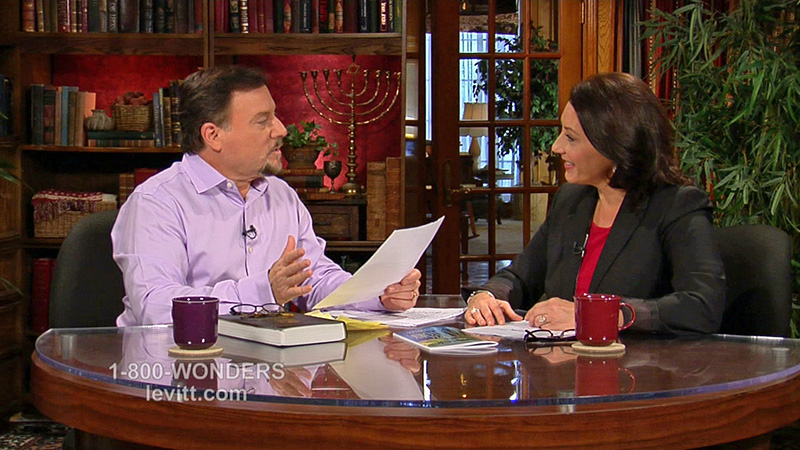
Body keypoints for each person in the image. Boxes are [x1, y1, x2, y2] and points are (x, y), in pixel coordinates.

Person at [112, 65, 420, 326]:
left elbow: (314, 278)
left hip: (268, 365)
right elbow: (156, 306)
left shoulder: (281, 194)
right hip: (180, 367)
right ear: (213, 135)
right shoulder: (156, 203)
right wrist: (263, 291)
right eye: (263, 121)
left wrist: (378, 293)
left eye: (275, 116)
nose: (281, 130)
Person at [465, 72, 726, 335]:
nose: (556, 147)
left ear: (614, 143)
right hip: (564, 356)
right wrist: (487, 296)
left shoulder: (678, 205)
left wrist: (597, 315)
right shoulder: (571, 200)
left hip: (640, 358)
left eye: (571, 137)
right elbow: (520, 276)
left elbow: (701, 306)